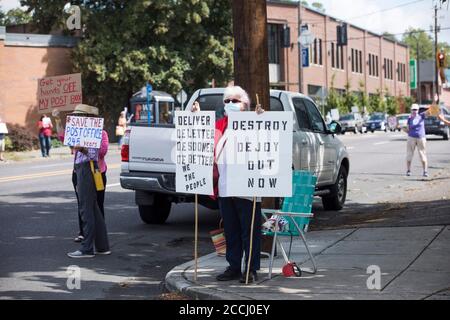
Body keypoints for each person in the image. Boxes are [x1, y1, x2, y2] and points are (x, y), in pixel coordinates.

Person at [191, 86, 264, 283]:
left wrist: (261, 119)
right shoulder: (220, 125)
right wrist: (197, 118)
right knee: (231, 230)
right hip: (225, 186)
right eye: (227, 101)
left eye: (235, 100)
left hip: (248, 188)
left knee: (249, 231)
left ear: (245, 104)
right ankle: (233, 266)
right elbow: (203, 139)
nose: (231, 104)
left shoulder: (255, 122)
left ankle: (251, 268)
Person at [66, 104, 110, 258]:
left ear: (88, 117)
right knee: (93, 208)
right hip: (81, 169)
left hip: (88, 170)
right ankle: (102, 246)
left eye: (80, 115)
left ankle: (87, 248)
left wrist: (83, 148)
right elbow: (68, 142)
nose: (77, 118)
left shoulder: (98, 132)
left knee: (86, 209)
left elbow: (98, 154)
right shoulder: (80, 131)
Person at [406, 103, 431, 177]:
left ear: (418, 110)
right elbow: (408, 129)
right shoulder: (409, 118)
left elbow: (430, 110)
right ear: (411, 110)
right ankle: (408, 170)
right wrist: (402, 128)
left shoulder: (422, 116)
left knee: (422, 154)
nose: (414, 111)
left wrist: (434, 101)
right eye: (413, 109)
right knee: (409, 154)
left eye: (416, 109)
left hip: (421, 138)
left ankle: (425, 171)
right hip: (411, 137)